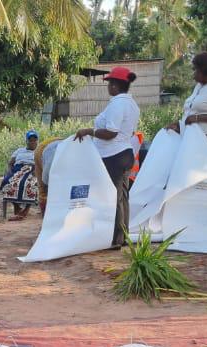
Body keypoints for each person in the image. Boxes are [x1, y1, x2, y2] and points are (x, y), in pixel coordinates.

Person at [74, 67, 140, 247]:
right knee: (122, 197)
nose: (108, 86)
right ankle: (123, 235)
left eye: (110, 83)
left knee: (114, 197)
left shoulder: (118, 104)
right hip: (125, 153)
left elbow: (111, 132)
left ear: (117, 85)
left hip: (114, 156)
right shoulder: (131, 104)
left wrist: (89, 131)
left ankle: (116, 238)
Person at [1, 130, 40, 221]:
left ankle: (26, 209)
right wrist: (10, 171)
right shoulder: (19, 150)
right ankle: (17, 207)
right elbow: (11, 163)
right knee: (8, 182)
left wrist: (37, 170)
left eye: (35, 140)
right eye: (30, 140)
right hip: (18, 168)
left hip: (32, 169)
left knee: (29, 183)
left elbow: (41, 163)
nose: (32, 142)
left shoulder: (39, 150)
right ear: (26, 141)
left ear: (37, 141)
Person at [34, 136, 63, 214]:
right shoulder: (50, 163)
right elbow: (45, 180)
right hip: (42, 149)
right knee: (43, 189)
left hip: (60, 141)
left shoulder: (73, 157)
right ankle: (45, 217)